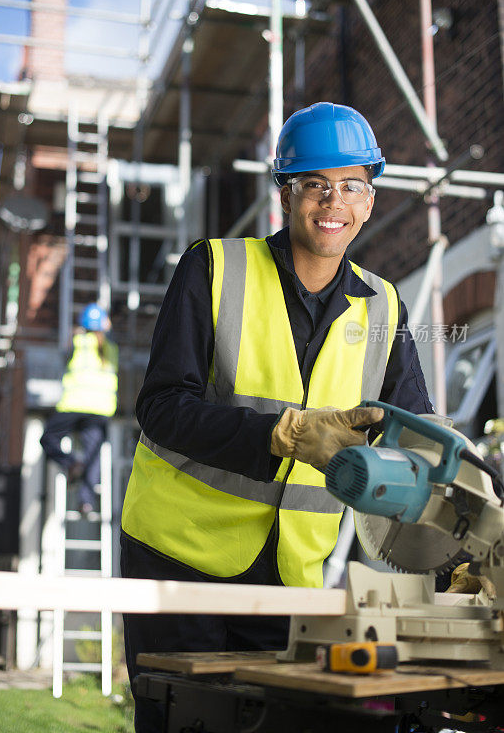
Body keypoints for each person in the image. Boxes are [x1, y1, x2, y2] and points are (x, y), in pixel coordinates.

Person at [120, 102, 434, 732]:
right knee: (189, 722)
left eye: (351, 186)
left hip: (293, 572)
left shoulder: (383, 306)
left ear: (369, 203)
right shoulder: (212, 268)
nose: (333, 201)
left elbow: (416, 429)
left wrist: (454, 503)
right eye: (315, 185)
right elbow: (160, 410)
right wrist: (281, 435)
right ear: (286, 196)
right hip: (183, 554)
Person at [40, 303, 118, 514]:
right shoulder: (111, 347)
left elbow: (64, 356)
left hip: (73, 406)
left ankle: (72, 463)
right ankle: (86, 502)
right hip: (100, 410)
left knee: (47, 439)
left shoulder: (77, 341)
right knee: (93, 456)